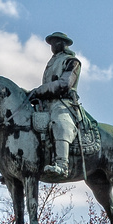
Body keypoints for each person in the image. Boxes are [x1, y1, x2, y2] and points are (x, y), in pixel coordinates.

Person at [27, 31, 83, 177]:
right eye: (51, 43)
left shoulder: (72, 61)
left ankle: (62, 164)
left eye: (56, 42)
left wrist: (39, 90)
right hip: (46, 104)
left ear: (64, 44)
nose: (53, 45)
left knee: (60, 123)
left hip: (63, 103)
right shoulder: (52, 62)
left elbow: (65, 84)